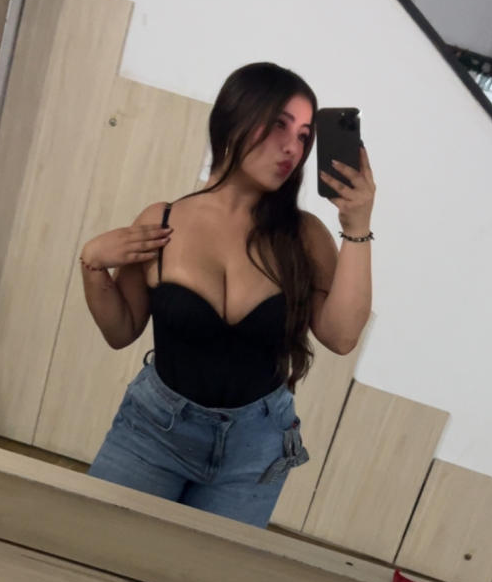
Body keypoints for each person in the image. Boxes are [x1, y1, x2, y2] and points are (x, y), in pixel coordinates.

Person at [79, 62, 374, 527]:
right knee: (98, 547)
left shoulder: (304, 237)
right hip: (152, 431)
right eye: (279, 125)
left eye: (303, 136)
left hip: (256, 448)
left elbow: (341, 337)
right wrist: (93, 263)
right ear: (235, 117)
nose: (292, 147)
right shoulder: (162, 221)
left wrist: (357, 228)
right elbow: (121, 331)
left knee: (205, 571)